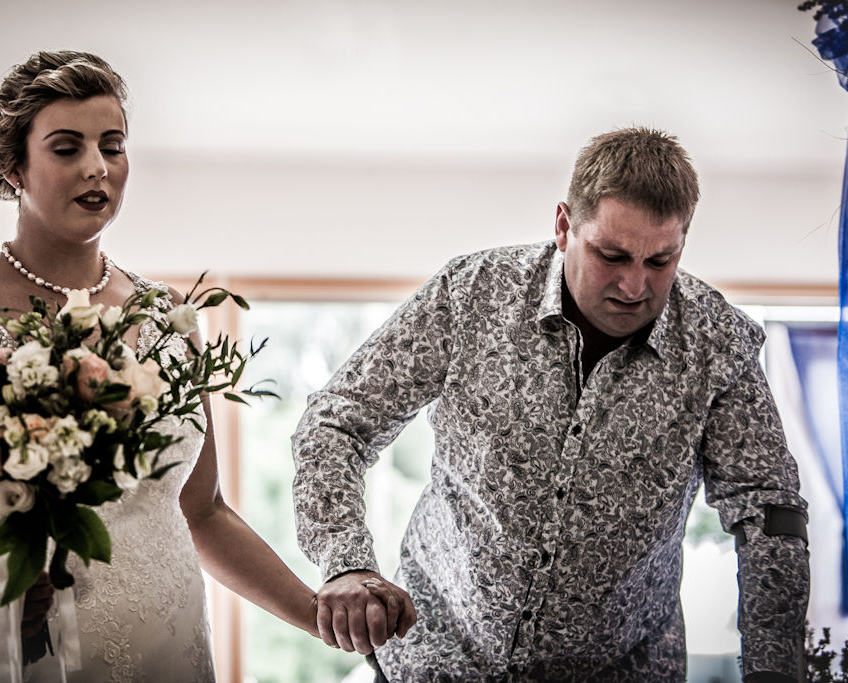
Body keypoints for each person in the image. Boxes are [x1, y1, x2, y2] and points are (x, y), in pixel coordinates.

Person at [0, 50, 382, 682]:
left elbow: (203, 512)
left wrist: (319, 616)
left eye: (112, 146)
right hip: (16, 651)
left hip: (168, 643)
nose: (97, 167)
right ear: (12, 167)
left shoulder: (169, 316)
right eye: (67, 148)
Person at [292, 127, 810, 681]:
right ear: (564, 226)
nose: (634, 286)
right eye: (612, 255)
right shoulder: (471, 294)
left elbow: (769, 512)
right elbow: (336, 423)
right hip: (436, 659)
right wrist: (346, 562)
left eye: (661, 261)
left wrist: (773, 669)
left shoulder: (718, 343)